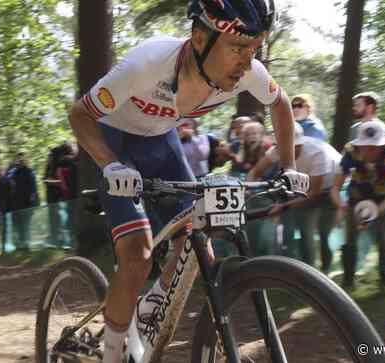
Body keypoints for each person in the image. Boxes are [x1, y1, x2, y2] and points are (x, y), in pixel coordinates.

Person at [66, 1, 309, 361]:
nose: (247, 62)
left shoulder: (248, 72)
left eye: (254, 49)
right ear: (199, 38)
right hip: (115, 140)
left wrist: (288, 166)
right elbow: (81, 114)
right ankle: (114, 352)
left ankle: (151, 304)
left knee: (199, 246)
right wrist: (111, 165)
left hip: (162, 141)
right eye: (239, 48)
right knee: (137, 256)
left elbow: (281, 103)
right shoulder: (148, 64)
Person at [248, 123, 341, 272]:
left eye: (290, 147)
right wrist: (250, 191)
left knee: (324, 235)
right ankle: (309, 275)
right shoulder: (278, 150)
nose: (285, 152)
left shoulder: (317, 153)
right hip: (305, 188)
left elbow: (314, 193)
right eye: (282, 147)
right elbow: (255, 172)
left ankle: (326, 275)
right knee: (306, 233)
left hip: (329, 188)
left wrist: (284, 206)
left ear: (299, 144)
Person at [330, 121, 385, 289]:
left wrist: (375, 212)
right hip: (356, 199)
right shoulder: (350, 151)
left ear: (384, 144)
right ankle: (348, 280)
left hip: (383, 200)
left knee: (384, 240)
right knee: (350, 239)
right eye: (365, 146)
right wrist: (341, 206)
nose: (370, 150)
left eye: (375, 146)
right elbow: (335, 187)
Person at [6, 152, 38, 250]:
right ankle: (19, 245)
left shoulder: (30, 172)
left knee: (25, 225)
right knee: (17, 225)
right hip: (15, 203)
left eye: (22, 159)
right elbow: (8, 180)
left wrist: (32, 201)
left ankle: (26, 245)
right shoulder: (13, 172)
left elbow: (34, 188)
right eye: (19, 159)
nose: (20, 161)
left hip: (26, 203)